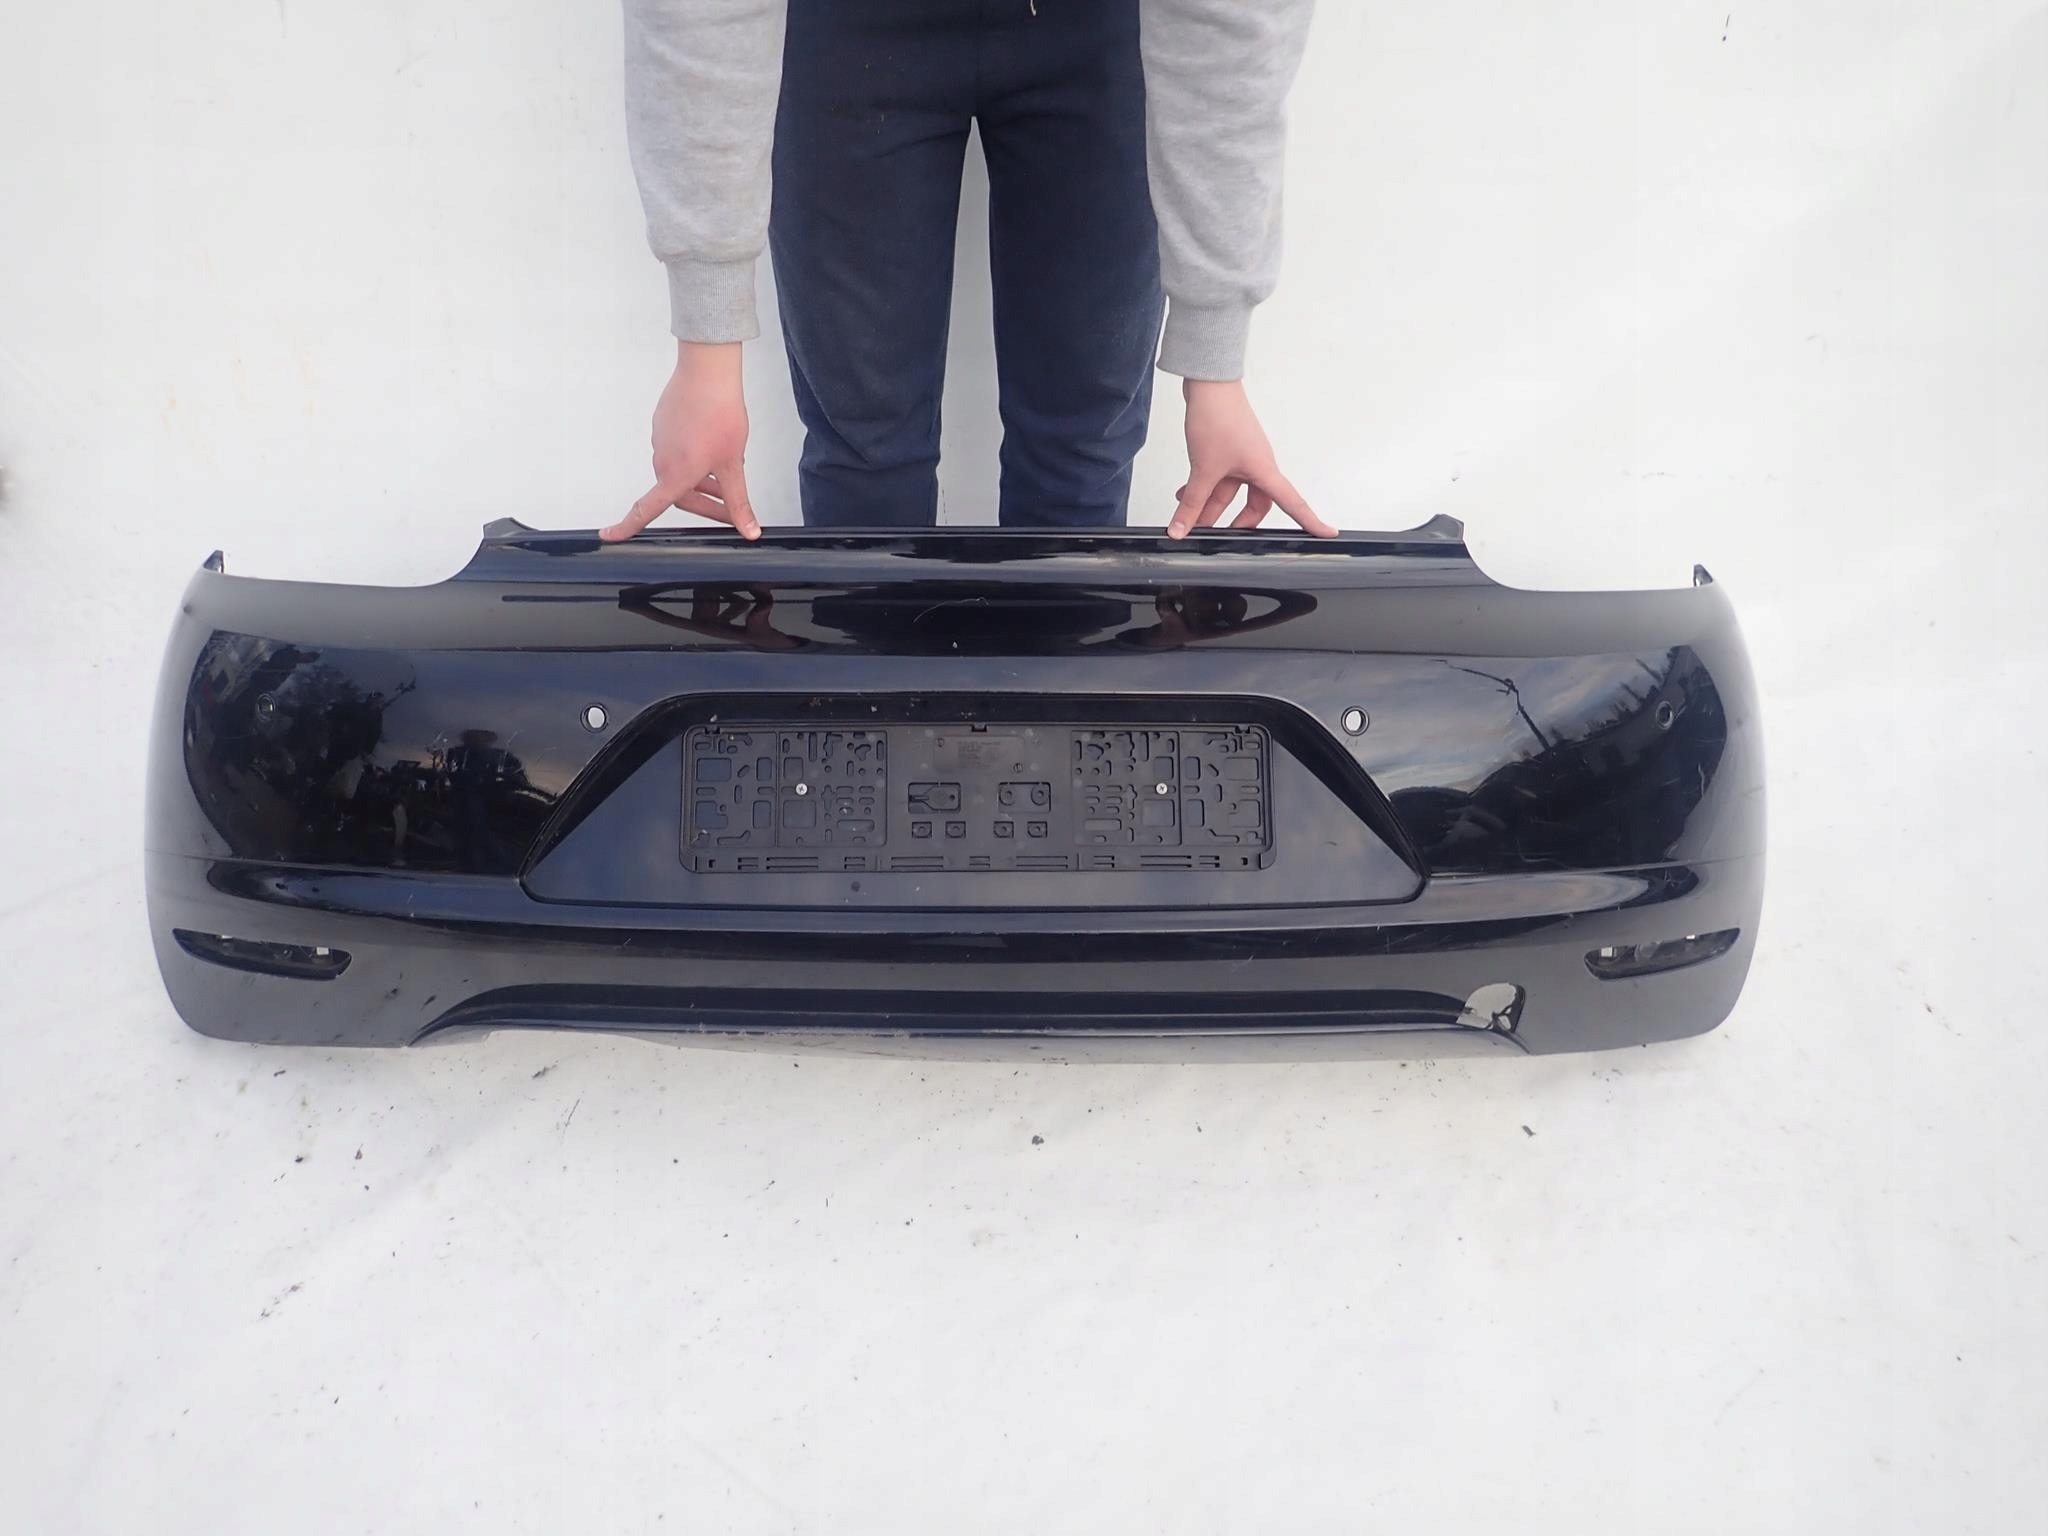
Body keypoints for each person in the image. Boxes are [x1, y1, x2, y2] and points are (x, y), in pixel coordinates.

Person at [605, 0, 1332, 543]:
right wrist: (705, 349)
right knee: (864, 453)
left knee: (1083, 455)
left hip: (1105, 32)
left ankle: (1058, 695)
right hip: (847, 30)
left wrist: (1215, 364)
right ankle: (871, 694)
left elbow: (1234, 17)